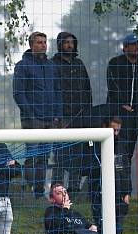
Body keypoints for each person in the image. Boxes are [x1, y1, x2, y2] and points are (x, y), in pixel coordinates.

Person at [13, 32, 63, 197]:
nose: (43, 45)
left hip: (50, 119)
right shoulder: (22, 66)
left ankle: (39, 192)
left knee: (44, 157)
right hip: (32, 119)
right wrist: (30, 113)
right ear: (31, 45)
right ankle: (28, 190)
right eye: (39, 42)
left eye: (45, 42)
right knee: (32, 155)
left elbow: (57, 91)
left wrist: (57, 114)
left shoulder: (51, 66)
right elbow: (18, 93)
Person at [52, 32, 93, 191]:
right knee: (60, 156)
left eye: (72, 42)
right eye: (66, 42)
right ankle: (57, 189)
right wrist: (56, 116)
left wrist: (88, 112)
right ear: (60, 44)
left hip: (80, 115)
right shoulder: (53, 64)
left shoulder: (79, 64)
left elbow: (87, 89)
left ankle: (74, 188)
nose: (69, 45)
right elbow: (52, 91)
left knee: (78, 153)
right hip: (61, 117)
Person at [106, 34, 138, 163]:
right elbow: (112, 85)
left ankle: (124, 177)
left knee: (128, 149)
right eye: (133, 44)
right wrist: (122, 103)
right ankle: (111, 176)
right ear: (125, 47)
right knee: (115, 147)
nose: (137, 47)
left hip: (136, 115)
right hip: (117, 113)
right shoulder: (115, 63)